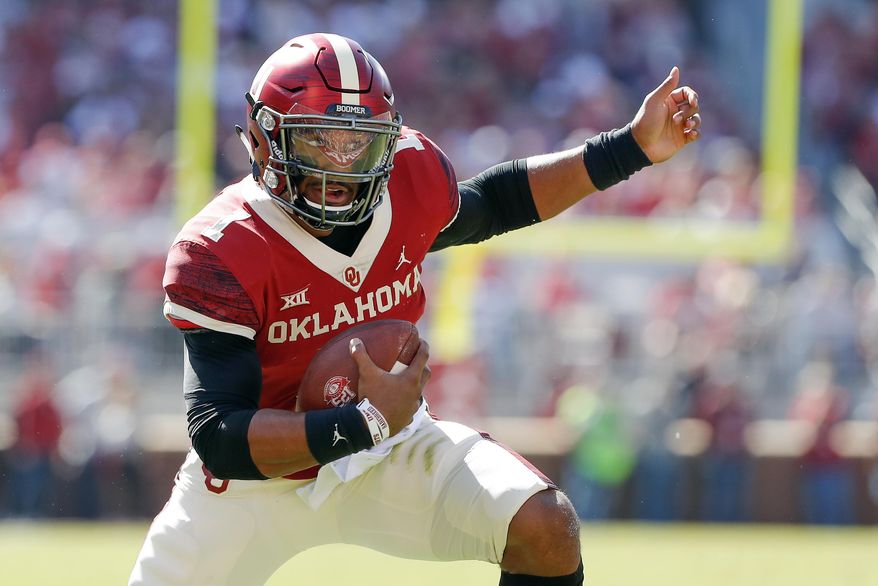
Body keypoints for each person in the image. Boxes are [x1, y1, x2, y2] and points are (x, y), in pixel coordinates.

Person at [130, 33, 700, 585]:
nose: (342, 167)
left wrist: (631, 147)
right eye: (318, 141)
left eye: (359, 143)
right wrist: (363, 421)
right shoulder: (220, 248)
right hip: (259, 478)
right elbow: (220, 435)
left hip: (387, 449)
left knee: (544, 527)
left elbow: (496, 202)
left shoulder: (409, 176)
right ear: (263, 138)